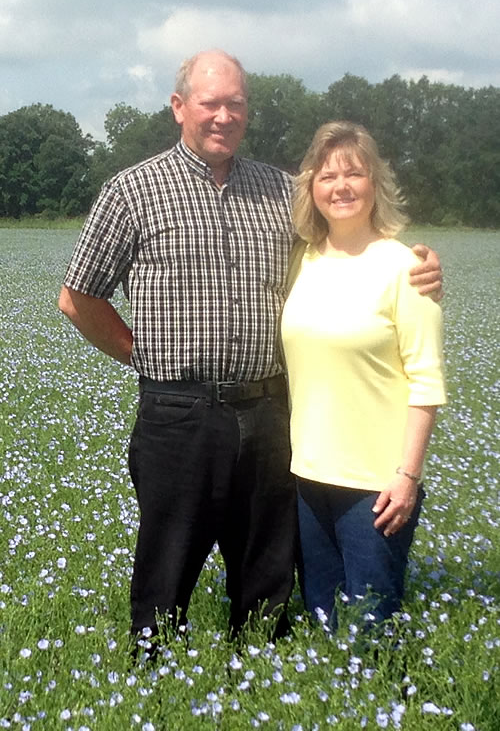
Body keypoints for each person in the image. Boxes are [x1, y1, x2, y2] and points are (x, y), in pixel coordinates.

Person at [58, 51, 443, 648]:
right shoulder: (133, 189)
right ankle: (155, 671)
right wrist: (141, 352)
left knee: (266, 562)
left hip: (269, 412)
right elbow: (77, 297)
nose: (223, 115)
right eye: (210, 103)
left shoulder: (279, 191)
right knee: (167, 559)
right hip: (177, 413)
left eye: (235, 103)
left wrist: (417, 263)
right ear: (179, 107)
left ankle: (262, 667)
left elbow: (346, 240)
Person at [281, 120, 447, 630]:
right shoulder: (301, 260)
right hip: (307, 477)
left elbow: (426, 380)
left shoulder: (405, 268)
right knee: (322, 619)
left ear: (376, 184)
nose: (341, 187)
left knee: (371, 630)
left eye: (354, 174)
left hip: (375, 484)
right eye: (328, 176)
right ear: (312, 187)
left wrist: (407, 477)